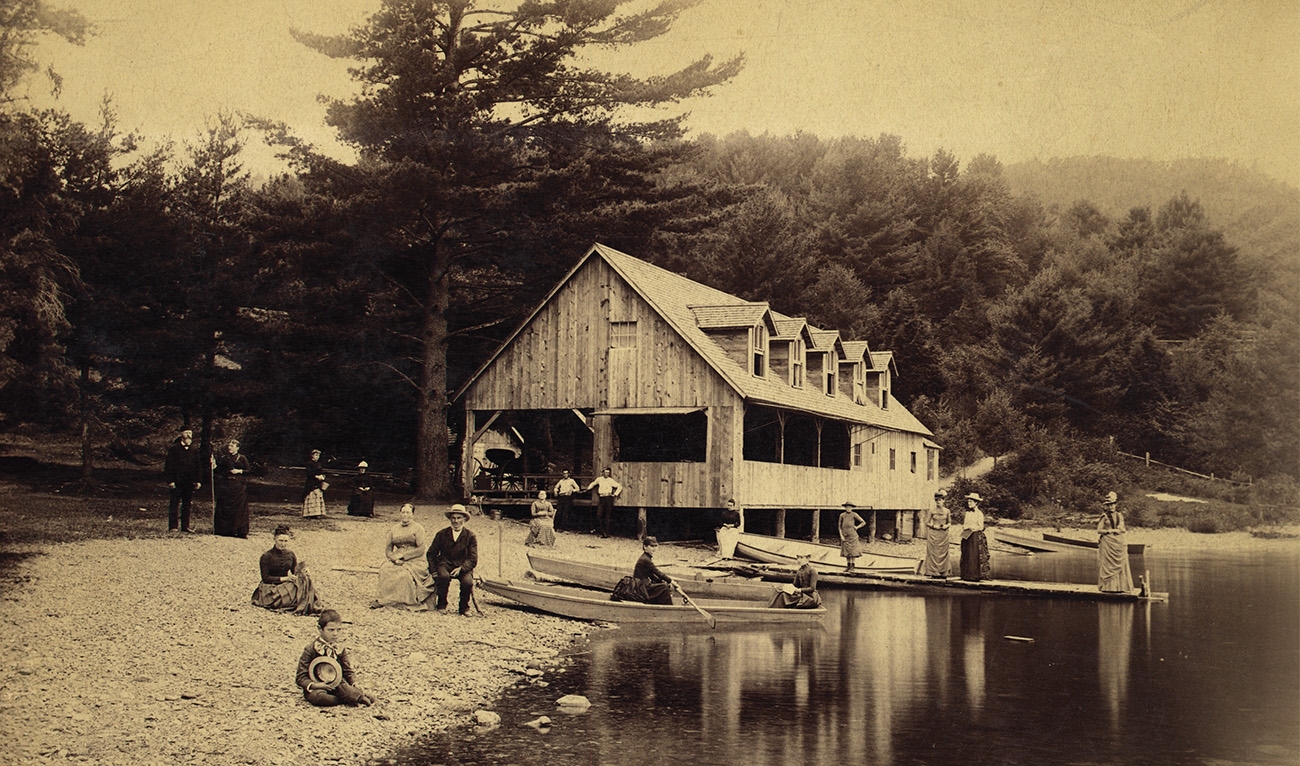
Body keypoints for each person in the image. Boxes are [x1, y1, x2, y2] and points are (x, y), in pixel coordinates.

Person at [295, 610, 377, 707]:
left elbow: (347, 670)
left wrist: (354, 682)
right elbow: (300, 677)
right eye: (331, 630)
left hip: (337, 685)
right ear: (320, 629)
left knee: (345, 688)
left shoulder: (339, 648)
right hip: (317, 687)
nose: (335, 634)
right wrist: (315, 685)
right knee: (320, 698)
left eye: (338, 630)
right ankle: (350, 698)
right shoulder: (310, 649)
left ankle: (357, 696)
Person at [252, 524, 325, 615]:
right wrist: (285, 578)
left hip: (286, 584)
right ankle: (298, 602)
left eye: (286, 541)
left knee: (305, 580)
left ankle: (307, 603)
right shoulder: (266, 556)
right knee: (295, 593)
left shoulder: (290, 554)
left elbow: (295, 572)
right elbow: (265, 578)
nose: (283, 544)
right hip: (271, 587)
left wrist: (304, 571)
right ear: (274, 539)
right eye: (280, 541)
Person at [375, 503, 433, 606]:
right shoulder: (394, 529)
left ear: (412, 515)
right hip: (397, 557)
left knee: (404, 574)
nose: (405, 515)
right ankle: (386, 599)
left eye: (408, 512)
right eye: (403, 512)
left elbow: (421, 549)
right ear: (400, 513)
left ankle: (405, 600)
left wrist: (403, 556)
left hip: (415, 559)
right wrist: (394, 559)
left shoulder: (418, 528)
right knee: (385, 569)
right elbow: (388, 549)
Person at [427, 504, 478, 616]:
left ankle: (464, 607)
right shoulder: (441, 534)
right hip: (445, 564)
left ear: (464, 519)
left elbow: (473, 558)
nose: (456, 521)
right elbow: (431, 553)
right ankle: (441, 604)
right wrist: (434, 570)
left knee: (467, 582)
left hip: (463, 565)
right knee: (443, 577)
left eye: (459, 518)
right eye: (453, 518)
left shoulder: (470, 536)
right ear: (450, 519)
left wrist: (462, 568)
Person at [612, 536, 675, 605]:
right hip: (640, 587)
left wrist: (662, 581)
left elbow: (651, 575)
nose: (654, 548)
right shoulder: (645, 559)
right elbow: (657, 572)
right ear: (645, 547)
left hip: (643, 585)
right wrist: (670, 581)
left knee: (663, 586)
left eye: (655, 546)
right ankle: (669, 609)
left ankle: (663, 607)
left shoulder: (647, 558)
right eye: (651, 546)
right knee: (664, 588)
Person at [164, 427, 204, 533]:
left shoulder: (194, 449)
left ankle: (185, 526)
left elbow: (198, 466)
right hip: (177, 482)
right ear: (181, 434)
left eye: (190, 433)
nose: (188, 435)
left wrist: (198, 480)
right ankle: (173, 526)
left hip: (189, 482)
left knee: (187, 505)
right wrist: (170, 481)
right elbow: (168, 466)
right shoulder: (174, 449)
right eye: (186, 432)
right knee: (174, 504)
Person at [1097, 491, 1135, 593]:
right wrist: (1110, 530)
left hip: (1118, 542)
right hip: (1108, 543)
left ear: (1115, 505)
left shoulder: (1119, 515)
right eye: (1109, 505)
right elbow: (1099, 530)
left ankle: (1121, 587)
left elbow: (1123, 528)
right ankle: (1108, 587)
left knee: (1122, 563)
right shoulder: (1104, 516)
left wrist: (1120, 528)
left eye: (1112, 504)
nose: (1111, 507)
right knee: (1108, 565)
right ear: (1106, 506)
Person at [213, 439, 251, 538]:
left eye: (232, 446)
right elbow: (218, 471)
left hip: (238, 486)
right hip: (226, 485)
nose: (230, 447)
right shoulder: (224, 458)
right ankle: (225, 530)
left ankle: (239, 530)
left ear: (237, 448)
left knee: (239, 509)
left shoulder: (242, 458)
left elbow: (248, 471)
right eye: (229, 445)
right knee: (225, 507)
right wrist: (213, 465)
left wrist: (239, 471)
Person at [960, 492, 992, 581]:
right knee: (966, 554)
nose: (969, 503)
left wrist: (972, 528)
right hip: (967, 535)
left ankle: (974, 575)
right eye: (968, 501)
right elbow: (964, 524)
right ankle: (966, 575)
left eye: (971, 501)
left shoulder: (979, 514)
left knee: (974, 555)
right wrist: (966, 527)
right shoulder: (968, 513)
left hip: (975, 536)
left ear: (976, 503)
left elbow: (981, 527)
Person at [923, 489, 953, 578]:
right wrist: (933, 526)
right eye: (936, 500)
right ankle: (933, 572)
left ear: (943, 500)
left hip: (943, 535)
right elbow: (926, 522)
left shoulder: (947, 511)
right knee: (933, 553)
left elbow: (950, 522)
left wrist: (946, 526)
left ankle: (943, 572)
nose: (938, 502)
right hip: (933, 534)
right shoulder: (931, 511)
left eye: (940, 500)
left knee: (943, 552)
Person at [586, 467, 622, 538]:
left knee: (607, 516)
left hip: (608, 498)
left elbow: (619, 486)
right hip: (602, 498)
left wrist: (615, 494)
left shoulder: (611, 480)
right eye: (605, 472)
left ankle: (607, 533)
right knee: (599, 515)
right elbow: (593, 484)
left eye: (608, 472)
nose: (607, 474)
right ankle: (602, 532)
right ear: (603, 472)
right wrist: (588, 489)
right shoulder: (599, 479)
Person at [838, 502, 866, 572]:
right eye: (847, 507)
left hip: (853, 536)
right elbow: (839, 526)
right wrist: (841, 535)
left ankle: (852, 566)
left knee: (853, 551)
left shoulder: (854, 514)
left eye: (850, 507)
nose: (848, 508)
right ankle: (848, 566)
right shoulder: (842, 515)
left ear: (851, 508)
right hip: (845, 536)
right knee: (846, 551)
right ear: (845, 508)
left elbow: (863, 522)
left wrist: (857, 527)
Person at [302, 449, 327, 519]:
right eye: (316, 455)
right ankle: (309, 514)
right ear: (312, 456)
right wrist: (316, 476)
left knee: (318, 496)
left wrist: (323, 476)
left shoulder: (318, 464)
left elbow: (322, 471)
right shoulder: (309, 463)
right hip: (311, 482)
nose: (317, 456)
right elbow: (309, 473)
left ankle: (317, 513)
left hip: (318, 482)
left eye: (318, 455)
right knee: (311, 496)